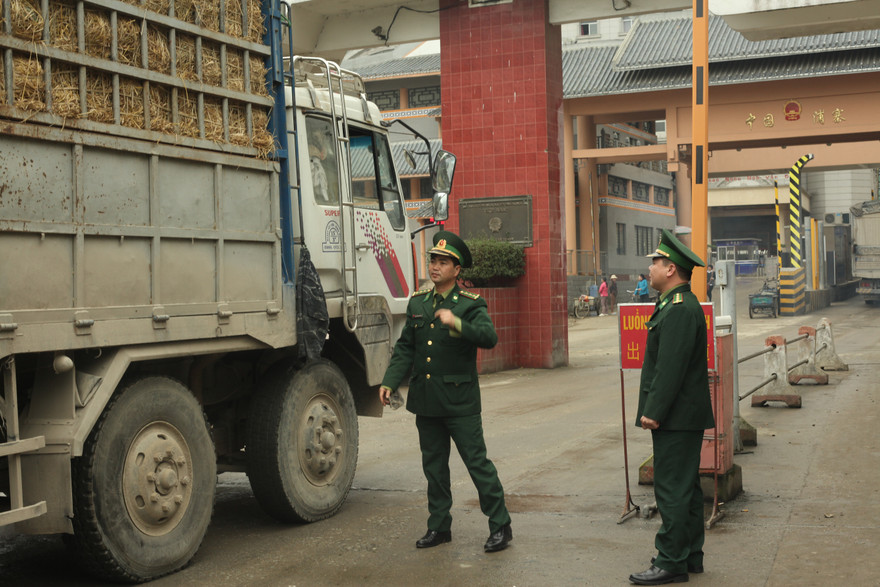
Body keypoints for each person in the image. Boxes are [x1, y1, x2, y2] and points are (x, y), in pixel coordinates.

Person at [379, 230, 513, 553]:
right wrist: (389, 380)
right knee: (434, 469)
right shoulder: (418, 303)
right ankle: (439, 526)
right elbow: (405, 349)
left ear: (457, 270)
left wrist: (457, 323)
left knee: (477, 464)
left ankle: (500, 525)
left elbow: (489, 337)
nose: (435, 266)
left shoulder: (469, 305)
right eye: (433, 260)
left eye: (443, 262)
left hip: (460, 402)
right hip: (426, 401)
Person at [629, 229, 715, 586]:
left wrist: (655, 410)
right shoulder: (673, 304)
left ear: (671, 269)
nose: (649, 269)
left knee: (671, 488)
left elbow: (671, 366)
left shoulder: (679, 309)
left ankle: (670, 561)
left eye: (655, 262)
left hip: (676, 417)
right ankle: (690, 554)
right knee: (686, 487)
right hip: (682, 416)